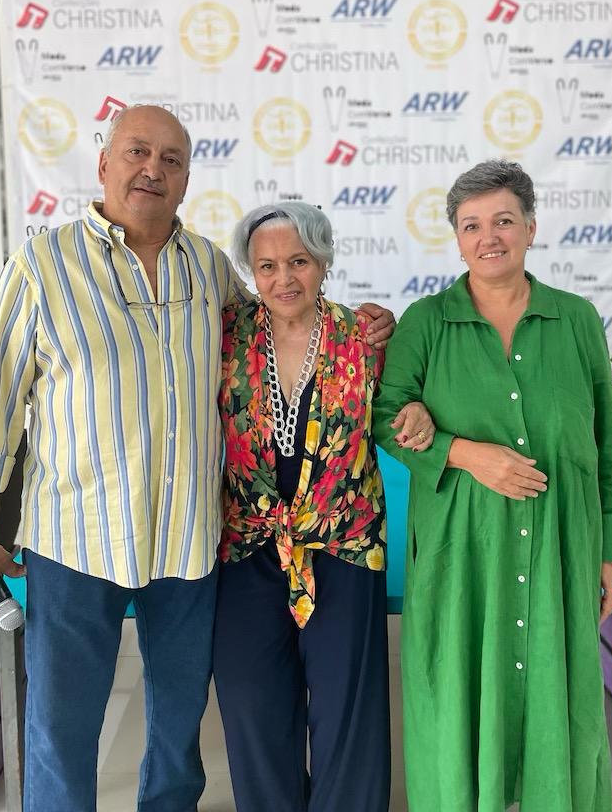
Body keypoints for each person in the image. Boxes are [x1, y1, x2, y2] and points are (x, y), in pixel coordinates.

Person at [0, 106, 395, 812]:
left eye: (171, 159)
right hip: (76, 541)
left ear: (186, 180)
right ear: (104, 163)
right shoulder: (42, 266)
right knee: (61, 732)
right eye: (137, 152)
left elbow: (283, 323)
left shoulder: (209, 268)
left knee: (176, 739)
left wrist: (368, 328)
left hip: (188, 547)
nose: (152, 170)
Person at [373, 160, 612, 812]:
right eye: (471, 225)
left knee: (560, 695)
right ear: (456, 238)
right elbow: (384, 416)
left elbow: (605, 441)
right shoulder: (426, 322)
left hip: (560, 544)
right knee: (461, 694)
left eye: (502, 220)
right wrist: (464, 454)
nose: (488, 236)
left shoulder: (576, 319)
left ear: (530, 228)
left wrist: (610, 552)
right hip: (464, 548)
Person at [212, 202, 433, 812]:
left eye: (299, 262)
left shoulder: (364, 337)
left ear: (324, 263)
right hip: (248, 544)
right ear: (251, 272)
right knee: (252, 704)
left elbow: (408, 400)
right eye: (267, 266)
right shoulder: (224, 334)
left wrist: (418, 409)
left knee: (345, 710)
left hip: (343, 544)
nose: (284, 278)